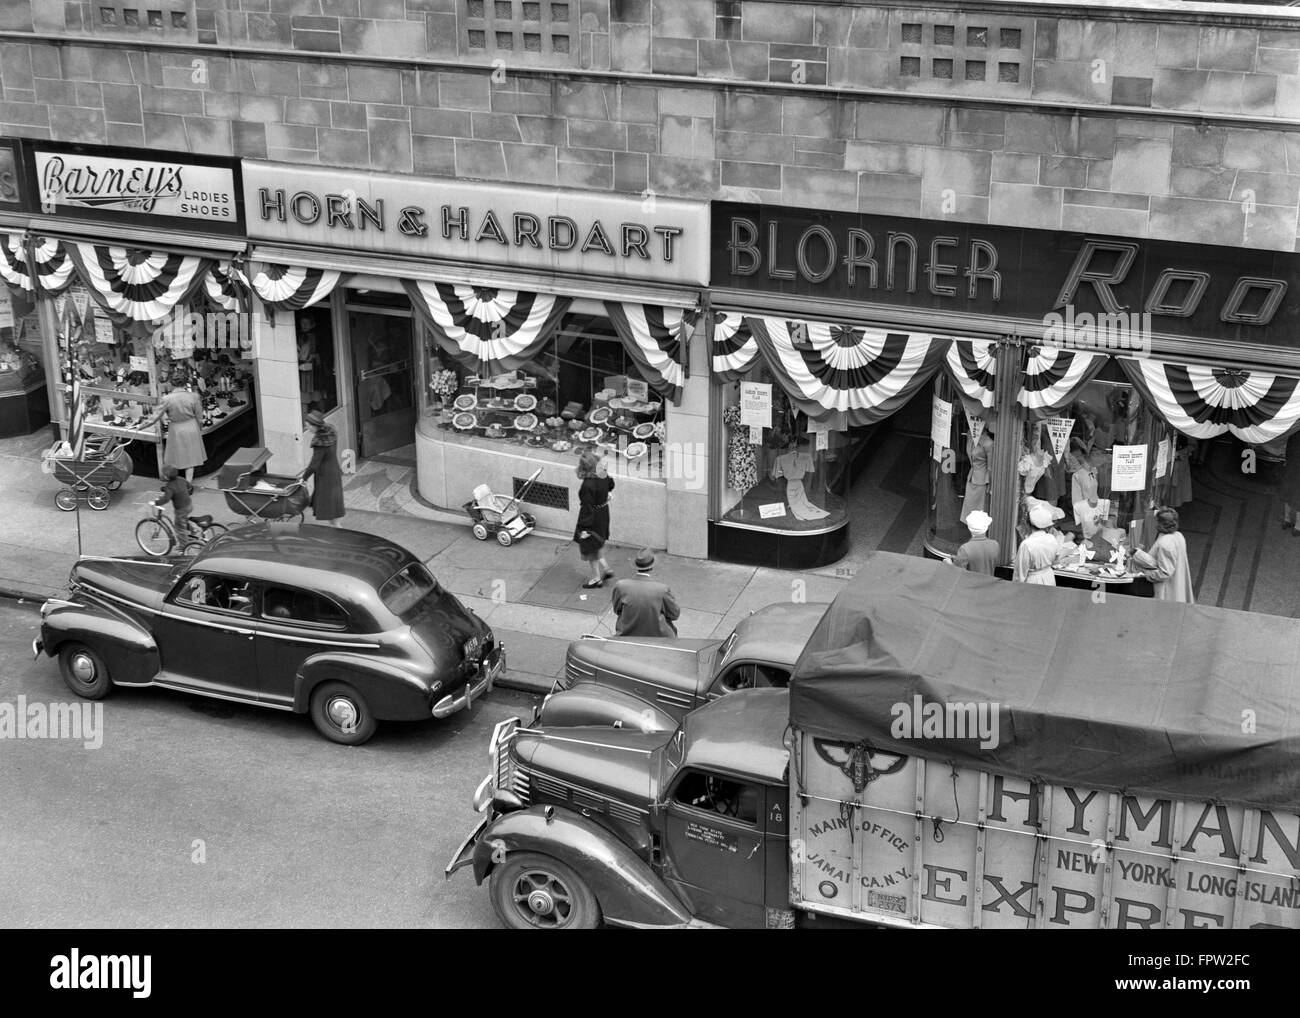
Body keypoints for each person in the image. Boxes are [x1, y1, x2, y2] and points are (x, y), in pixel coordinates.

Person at [137, 373, 206, 483]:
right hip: (192, 427)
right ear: (185, 383)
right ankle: (188, 485)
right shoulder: (194, 396)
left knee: (174, 457)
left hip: (176, 428)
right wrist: (199, 429)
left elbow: (154, 417)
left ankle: (173, 483)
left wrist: (140, 426)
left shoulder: (167, 398)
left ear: (171, 384)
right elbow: (200, 417)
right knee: (190, 459)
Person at [611, 549, 680, 637]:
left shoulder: (621, 585)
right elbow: (674, 614)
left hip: (627, 634)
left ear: (636, 565)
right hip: (658, 636)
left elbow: (617, 610)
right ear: (651, 567)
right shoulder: (662, 589)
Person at [573, 449, 615, 588]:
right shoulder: (602, 473)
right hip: (603, 512)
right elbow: (611, 484)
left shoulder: (587, 485)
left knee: (590, 547)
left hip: (592, 518)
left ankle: (597, 578)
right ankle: (606, 568)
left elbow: (587, 508)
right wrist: (606, 494)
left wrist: (584, 529)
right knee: (597, 542)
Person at [1135, 507, 1195, 603]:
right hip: (1178, 586)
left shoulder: (1165, 544)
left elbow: (1164, 573)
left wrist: (1145, 574)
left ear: (1160, 523)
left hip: (1166, 592)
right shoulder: (1178, 536)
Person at [301, 410, 344, 527]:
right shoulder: (331, 432)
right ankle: (337, 530)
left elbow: (314, 464)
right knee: (333, 511)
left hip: (325, 479)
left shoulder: (320, 442)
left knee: (331, 512)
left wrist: (303, 478)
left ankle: (340, 533)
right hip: (334, 473)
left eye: (308, 426)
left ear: (315, 426)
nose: (307, 428)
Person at [1015, 506, 1058, 585]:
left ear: (1028, 524)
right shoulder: (1052, 538)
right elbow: (1056, 558)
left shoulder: (1027, 544)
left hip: (1033, 581)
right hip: (1049, 577)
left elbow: (1020, 573)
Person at [959, 425, 994, 524]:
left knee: (979, 514)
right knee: (969, 511)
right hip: (971, 477)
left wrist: (991, 485)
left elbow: (990, 467)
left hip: (982, 481)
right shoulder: (970, 435)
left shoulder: (989, 443)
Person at [954, 510, 1000, 576]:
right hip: (990, 584)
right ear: (986, 527)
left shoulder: (965, 549)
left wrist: (949, 563)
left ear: (969, 528)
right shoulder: (995, 545)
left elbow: (958, 573)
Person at [153, 465, 193, 541]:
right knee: (183, 520)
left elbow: (165, 499)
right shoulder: (181, 479)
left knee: (179, 528)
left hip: (181, 509)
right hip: (189, 504)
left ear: (166, 477)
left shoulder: (169, 487)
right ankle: (194, 531)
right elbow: (189, 486)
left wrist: (156, 502)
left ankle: (183, 547)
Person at [1279, 431, 1300, 534]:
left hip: (1289, 468)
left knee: (1287, 493)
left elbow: (1286, 450)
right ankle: (1298, 527)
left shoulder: (1294, 431)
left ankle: (1286, 520)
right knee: (1298, 496)